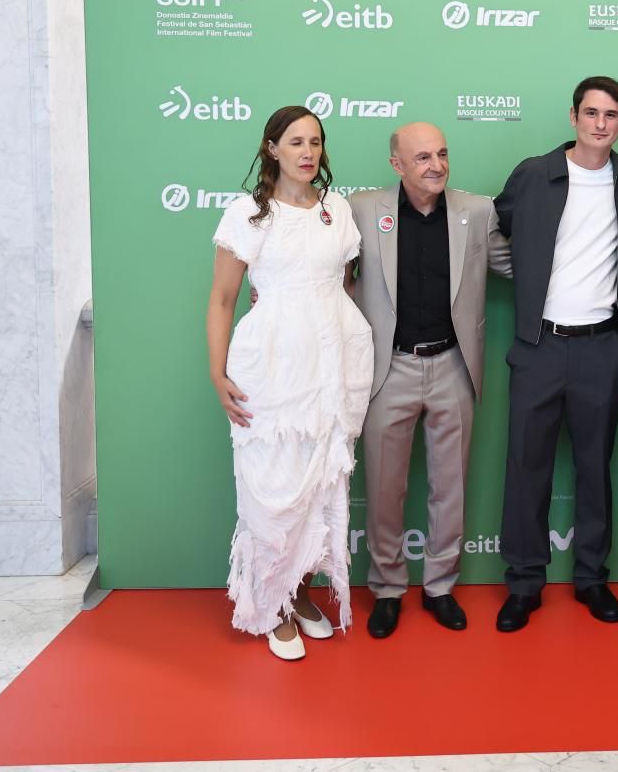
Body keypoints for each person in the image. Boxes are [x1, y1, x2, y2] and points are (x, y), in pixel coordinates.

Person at [206, 105, 374, 660]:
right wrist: (217, 371)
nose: (308, 152)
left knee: (320, 483)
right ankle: (270, 605)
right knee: (271, 487)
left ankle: (298, 592)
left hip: (331, 365)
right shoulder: (245, 216)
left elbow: (341, 287)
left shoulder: (337, 210)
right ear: (271, 148)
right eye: (296, 141)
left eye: (317, 142)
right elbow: (223, 300)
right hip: (271, 366)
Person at [493, 76, 618, 633]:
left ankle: (591, 578)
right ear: (573, 116)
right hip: (539, 346)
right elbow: (495, 233)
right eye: (591, 112)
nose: (600, 123)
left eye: (611, 115)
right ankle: (525, 582)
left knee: (594, 469)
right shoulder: (533, 174)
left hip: (602, 347)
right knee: (525, 467)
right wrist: (529, 278)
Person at [346, 122, 510, 639]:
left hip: (453, 367)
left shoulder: (477, 212)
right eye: (422, 158)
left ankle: (440, 586)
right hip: (387, 368)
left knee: (450, 487)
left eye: (441, 154)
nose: (436, 165)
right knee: (384, 486)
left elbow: (520, 265)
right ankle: (388, 588)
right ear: (397, 164)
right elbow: (330, 274)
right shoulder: (362, 210)